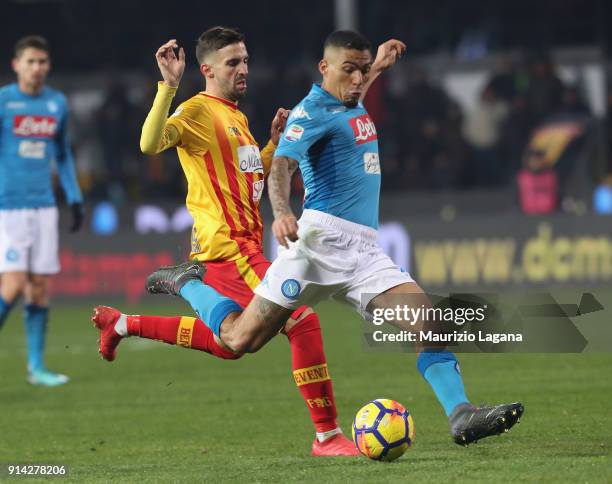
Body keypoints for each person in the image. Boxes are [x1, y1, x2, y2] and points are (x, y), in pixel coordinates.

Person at [141, 30, 524, 446]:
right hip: (314, 248)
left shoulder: (333, 103)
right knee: (238, 339)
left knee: (428, 323)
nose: (358, 79)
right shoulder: (307, 113)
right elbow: (284, 166)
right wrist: (284, 212)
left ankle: (461, 415)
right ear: (325, 68)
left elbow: (264, 163)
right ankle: (188, 283)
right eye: (350, 70)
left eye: (362, 72)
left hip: (363, 252)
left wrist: (376, 66)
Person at [92, 27, 393, 456]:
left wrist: (270, 145)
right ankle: (327, 436)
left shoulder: (235, 118)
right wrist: (169, 87)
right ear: (208, 69)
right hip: (229, 248)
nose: (243, 69)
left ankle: (124, 322)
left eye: (246, 60)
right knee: (300, 319)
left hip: (242, 247)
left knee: (230, 343)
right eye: (233, 63)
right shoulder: (197, 111)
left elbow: (249, 183)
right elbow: (149, 143)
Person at [0, 35, 84, 386]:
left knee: (39, 288)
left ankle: (37, 368)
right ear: (16, 65)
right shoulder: (4, 102)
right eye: (30, 61)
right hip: (10, 206)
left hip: (45, 207)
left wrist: (74, 196)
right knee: (14, 284)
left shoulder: (56, 104)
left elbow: (62, 154)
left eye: (42, 62)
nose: (37, 68)